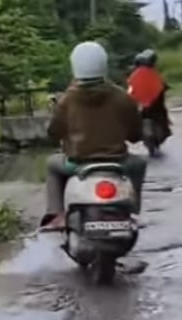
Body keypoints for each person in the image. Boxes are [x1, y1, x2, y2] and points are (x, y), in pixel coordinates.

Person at [40, 41, 148, 229]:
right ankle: (132, 210)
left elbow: (53, 132)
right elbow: (135, 134)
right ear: (103, 65)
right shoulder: (122, 97)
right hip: (118, 162)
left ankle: (57, 215)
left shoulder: (67, 99)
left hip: (77, 164)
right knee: (139, 163)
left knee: (52, 164)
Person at [127, 49, 172, 143]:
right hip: (149, 106)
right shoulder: (148, 73)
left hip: (146, 106)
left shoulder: (137, 74)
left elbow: (130, 88)